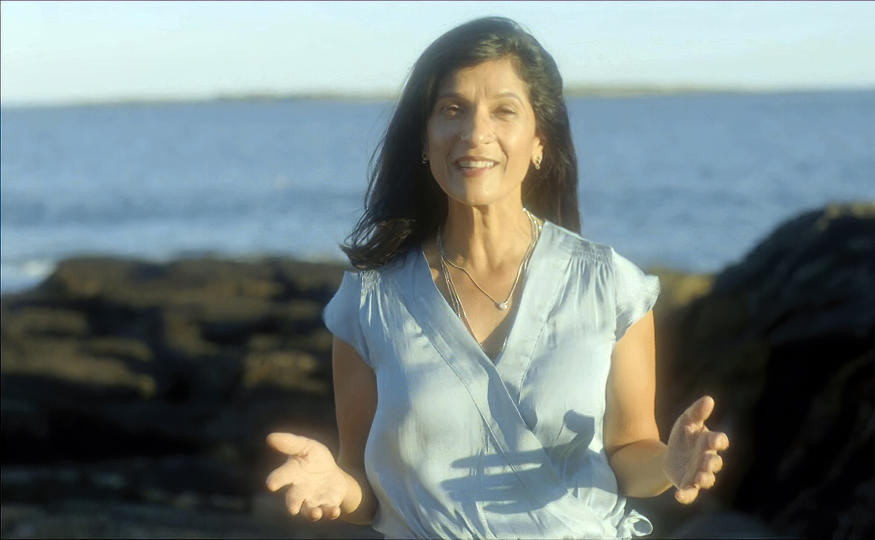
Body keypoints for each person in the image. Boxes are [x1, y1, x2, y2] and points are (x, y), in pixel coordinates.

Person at [265, 16, 729, 538]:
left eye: (503, 110)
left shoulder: (609, 286)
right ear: (424, 138)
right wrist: (337, 486)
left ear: (539, 141)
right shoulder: (369, 301)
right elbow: (364, 490)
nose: (475, 133)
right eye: (451, 110)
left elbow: (628, 453)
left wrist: (669, 464)